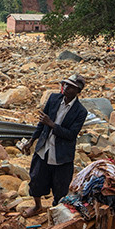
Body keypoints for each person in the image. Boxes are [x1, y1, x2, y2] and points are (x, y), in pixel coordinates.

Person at [20, 74, 88, 218]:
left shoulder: (80, 111)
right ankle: (37, 206)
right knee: (36, 180)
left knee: (60, 187)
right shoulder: (53, 99)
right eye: (65, 84)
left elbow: (71, 134)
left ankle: (56, 212)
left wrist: (52, 124)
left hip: (62, 155)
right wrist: (31, 140)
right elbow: (41, 123)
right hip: (44, 149)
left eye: (70, 87)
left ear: (78, 91)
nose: (66, 88)